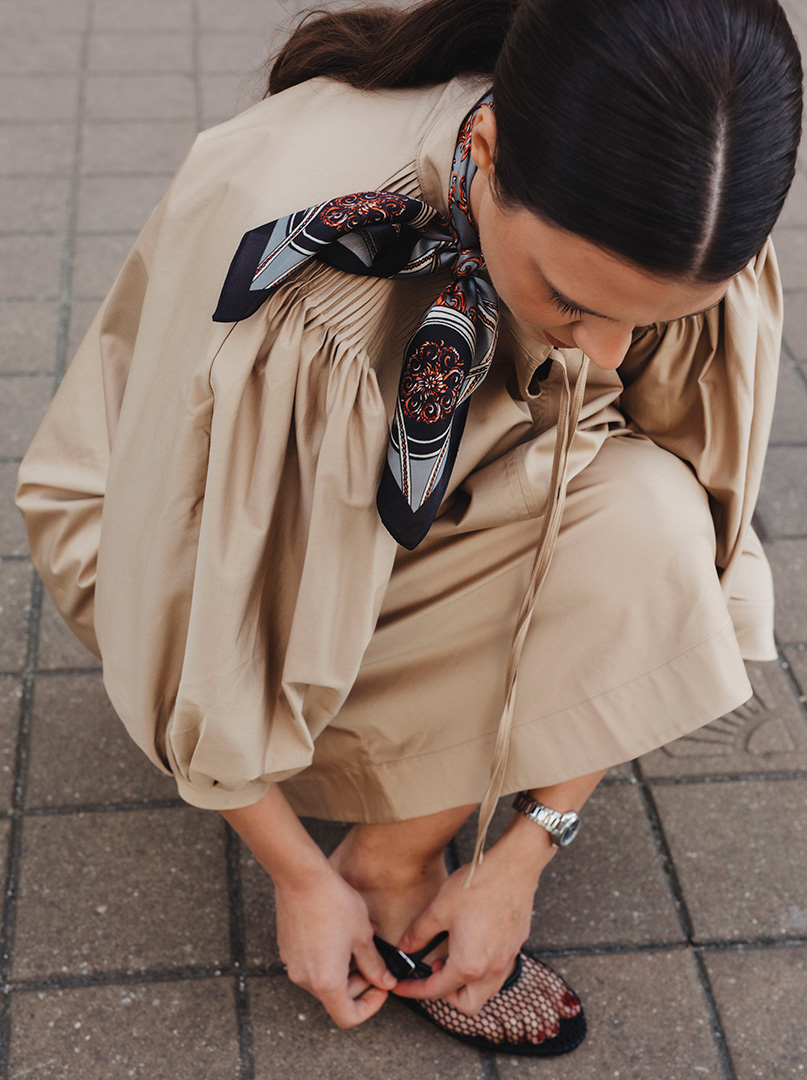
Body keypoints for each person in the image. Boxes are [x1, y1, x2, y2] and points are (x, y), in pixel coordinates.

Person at [15, 0, 803, 1058]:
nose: (610, 357)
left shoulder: (670, 226)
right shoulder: (312, 282)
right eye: (573, 306)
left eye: (648, 322)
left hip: (431, 496)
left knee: (653, 519)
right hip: (168, 549)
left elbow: (691, 546)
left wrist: (527, 849)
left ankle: (398, 845)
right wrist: (297, 876)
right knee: (615, 527)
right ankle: (380, 868)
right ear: (481, 146)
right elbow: (182, 589)